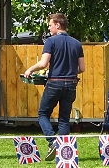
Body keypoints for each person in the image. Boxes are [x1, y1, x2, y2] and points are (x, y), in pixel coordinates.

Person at [24, 13, 85, 161]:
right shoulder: (76, 43)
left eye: (50, 25)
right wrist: (69, 70)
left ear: (58, 25)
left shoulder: (51, 41)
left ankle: (52, 142)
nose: (49, 28)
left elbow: (44, 64)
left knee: (43, 114)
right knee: (64, 119)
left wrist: (30, 69)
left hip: (55, 82)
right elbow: (82, 68)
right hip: (71, 84)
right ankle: (64, 152)